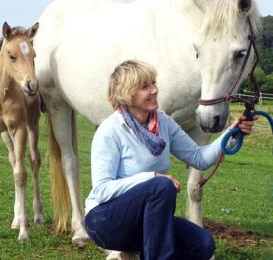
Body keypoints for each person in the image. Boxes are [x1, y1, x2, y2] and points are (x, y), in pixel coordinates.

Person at [84, 60, 256, 260]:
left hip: (144, 220)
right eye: (145, 86)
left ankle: (135, 253)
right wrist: (152, 178)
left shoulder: (163, 122)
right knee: (161, 186)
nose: (154, 90)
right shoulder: (110, 130)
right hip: (105, 221)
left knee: (203, 244)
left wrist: (231, 133)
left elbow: (199, 158)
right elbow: (102, 190)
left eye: (154, 83)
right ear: (126, 94)